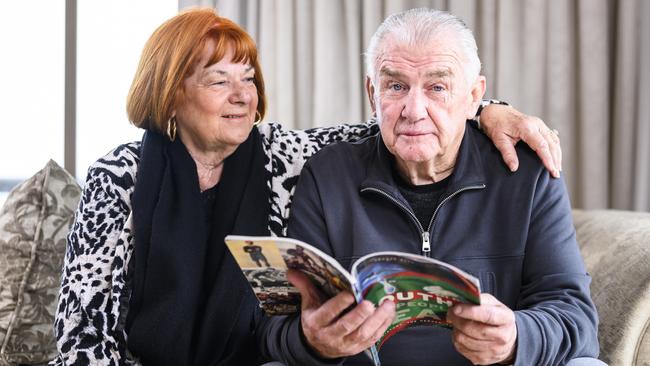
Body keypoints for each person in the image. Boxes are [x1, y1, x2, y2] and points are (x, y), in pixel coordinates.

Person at [50, 7, 565, 366]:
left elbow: (403, 120)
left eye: (248, 78)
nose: (242, 97)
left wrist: (488, 108)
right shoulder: (120, 178)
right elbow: (82, 338)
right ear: (169, 94)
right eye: (217, 80)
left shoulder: (280, 156)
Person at [272, 8, 602, 366]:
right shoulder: (327, 174)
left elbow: (577, 321)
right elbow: (275, 326)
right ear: (372, 94)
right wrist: (313, 341)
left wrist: (516, 337)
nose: (414, 110)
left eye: (437, 87)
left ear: (474, 97)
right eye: (396, 86)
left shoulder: (526, 172)